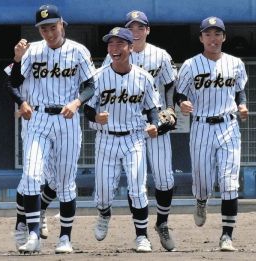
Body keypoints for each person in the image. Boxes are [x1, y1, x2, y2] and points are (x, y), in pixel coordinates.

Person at [6, 4, 96, 254]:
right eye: (43, 28)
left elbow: (90, 85)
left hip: (67, 120)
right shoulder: (31, 51)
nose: (48, 32)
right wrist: (21, 100)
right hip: (38, 118)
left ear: (62, 24)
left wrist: (78, 101)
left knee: (65, 182)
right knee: (33, 175)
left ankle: (65, 238)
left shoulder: (78, 51)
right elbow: (12, 83)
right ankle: (34, 234)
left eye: (52, 26)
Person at [101, 10, 178, 251]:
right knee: (137, 183)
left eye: (140, 27)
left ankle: (162, 223)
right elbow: (103, 83)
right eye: (131, 27)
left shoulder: (160, 55)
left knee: (165, 180)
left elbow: (170, 83)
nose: (135, 32)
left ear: (147, 30)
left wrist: (169, 109)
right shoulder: (116, 53)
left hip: (154, 123)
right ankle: (140, 233)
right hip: (130, 127)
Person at [175, 16, 248, 252]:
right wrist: (182, 103)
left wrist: (243, 105)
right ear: (201, 38)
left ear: (224, 37)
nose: (213, 38)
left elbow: (240, 92)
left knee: (229, 183)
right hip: (202, 127)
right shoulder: (190, 65)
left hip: (228, 126)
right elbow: (179, 94)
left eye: (217, 34)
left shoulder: (236, 63)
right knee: (204, 182)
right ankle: (201, 200)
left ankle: (227, 236)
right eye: (208, 34)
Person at [85, 27, 160, 252]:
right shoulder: (98, 77)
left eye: (119, 44)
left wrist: (154, 124)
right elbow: (87, 109)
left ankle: (142, 236)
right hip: (106, 140)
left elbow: (152, 108)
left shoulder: (143, 77)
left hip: (134, 139)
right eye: (111, 44)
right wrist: (96, 116)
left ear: (130, 47)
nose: (114, 48)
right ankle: (104, 213)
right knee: (104, 193)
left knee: (138, 189)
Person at [3, 64, 57, 250]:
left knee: (58, 180)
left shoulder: (62, 59)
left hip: (59, 126)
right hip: (34, 126)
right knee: (30, 178)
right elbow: (10, 83)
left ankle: (39, 209)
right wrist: (20, 104)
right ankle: (21, 223)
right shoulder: (28, 57)